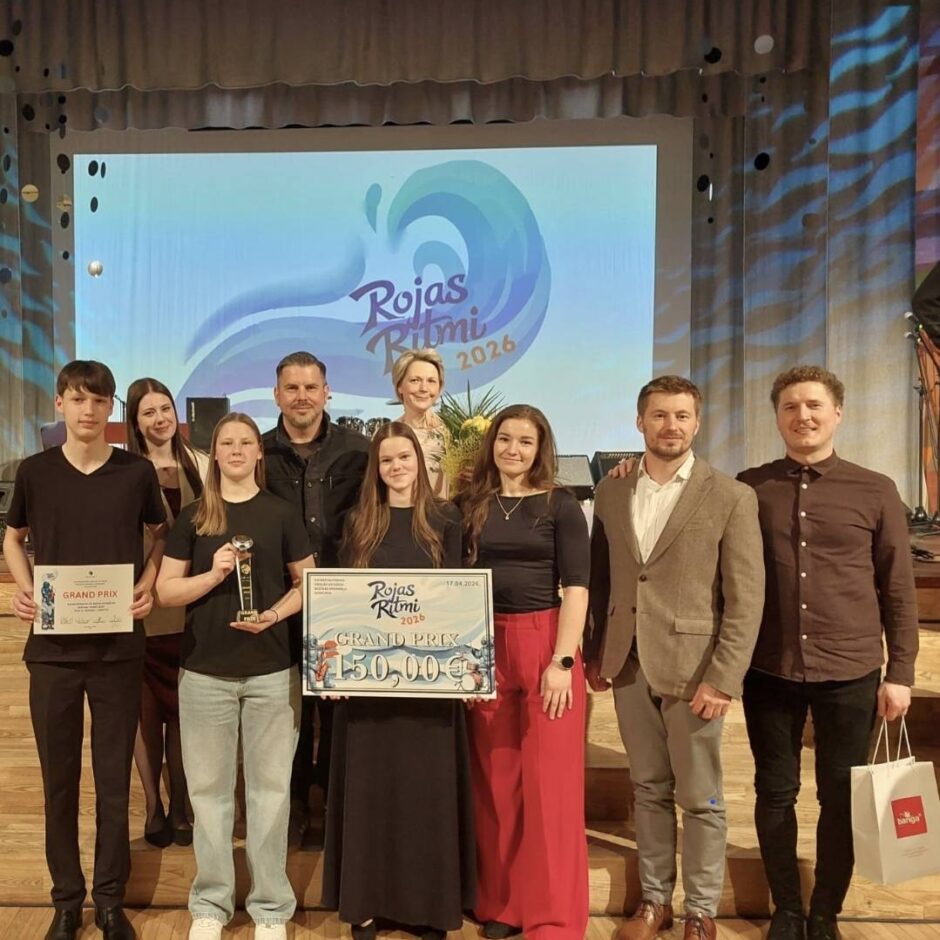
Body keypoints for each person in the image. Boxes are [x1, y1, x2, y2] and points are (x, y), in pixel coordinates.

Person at [737, 366, 919, 940]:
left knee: (839, 797)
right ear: (777, 417)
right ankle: (787, 911)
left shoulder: (876, 489)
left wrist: (901, 672)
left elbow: (898, 587)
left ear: (837, 413)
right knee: (775, 792)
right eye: (790, 406)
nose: (803, 416)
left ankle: (825, 914)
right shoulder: (749, 487)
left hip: (851, 669)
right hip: (769, 667)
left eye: (814, 405)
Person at [584, 375, 765, 940]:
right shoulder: (612, 490)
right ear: (640, 422)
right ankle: (654, 902)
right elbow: (602, 575)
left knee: (701, 798)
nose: (671, 426)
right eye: (659, 415)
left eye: (682, 416)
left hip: (695, 671)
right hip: (628, 662)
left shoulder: (731, 496)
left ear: (697, 422)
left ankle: (700, 911)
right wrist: (596, 652)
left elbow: (746, 598)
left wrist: (724, 678)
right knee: (648, 788)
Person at [3, 360, 166, 940]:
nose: (89, 410)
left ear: (110, 408)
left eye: (99, 401)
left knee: (114, 781)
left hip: (118, 650)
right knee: (60, 782)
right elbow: (13, 537)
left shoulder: (136, 472)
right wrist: (25, 588)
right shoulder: (35, 471)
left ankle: (111, 900)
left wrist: (148, 583)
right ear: (60, 404)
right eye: (78, 399)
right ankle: (67, 901)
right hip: (52, 653)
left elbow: (161, 535)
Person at [155, 413, 314, 940]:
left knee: (270, 793)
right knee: (209, 795)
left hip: (272, 671)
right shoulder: (194, 518)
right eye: (228, 442)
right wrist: (214, 573)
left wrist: (273, 615)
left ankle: (270, 908)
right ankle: (210, 904)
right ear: (215, 453)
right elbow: (166, 592)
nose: (238, 450)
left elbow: (309, 583)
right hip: (205, 674)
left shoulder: (281, 513)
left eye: (247, 442)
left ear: (258, 452)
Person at [322, 422, 475, 940]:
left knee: (426, 796)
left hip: (430, 688)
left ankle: (429, 908)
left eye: (404, 457)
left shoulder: (445, 519)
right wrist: (335, 665)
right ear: (376, 467)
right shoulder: (357, 522)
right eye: (386, 459)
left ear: (419, 461)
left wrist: (464, 670)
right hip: (369, 690)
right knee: (372, 796)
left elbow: (457, 600)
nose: (396, 467)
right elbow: (342, 603)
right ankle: (366, 904)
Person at [459, 404, 590, 940]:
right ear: (491, 444)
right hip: (485, 643)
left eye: (525, 442)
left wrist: (563, 661)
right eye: (505, 439)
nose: (513, 449)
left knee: (549, 789)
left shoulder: (561, 504)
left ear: (541, 449)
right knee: (496, 783)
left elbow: (577, 586)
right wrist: (466, 662)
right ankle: (502, 904)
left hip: (546, 644)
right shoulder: (471, 505)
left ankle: (553, 915)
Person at [125, 377, 209, 849]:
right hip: (138, 606)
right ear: (135, 422)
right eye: (148, 412)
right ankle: (153, 807)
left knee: (182, 714)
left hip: (191, 607)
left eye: (165, 409)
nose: (159, 419)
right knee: (144, 713)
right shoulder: (122, 470)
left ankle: (182, 806)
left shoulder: (204, 464)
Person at [391, 348, 450, 497]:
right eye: (415, 380)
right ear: (399, 386)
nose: (424, 388)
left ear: (439, 387)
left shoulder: (452, 432)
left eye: (431, 381)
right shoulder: (389, 436)